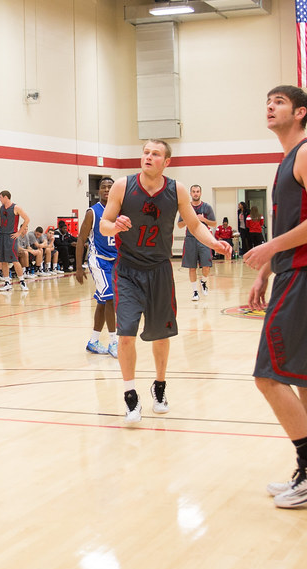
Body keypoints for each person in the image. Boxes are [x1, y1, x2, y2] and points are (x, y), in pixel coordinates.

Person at [244, 86, 307, 508]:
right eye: (268, 100)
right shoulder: (287, 159)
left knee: (268, 376)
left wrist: (268, 250)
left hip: (305, 275)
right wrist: (265, 271)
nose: (270, 106)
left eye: (279, 101)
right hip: (293, 273)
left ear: (300, 112)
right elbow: (292, 225)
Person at [100, 141, 232, 424]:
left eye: (155, 154)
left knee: (161, 335)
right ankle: (130, 396)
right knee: (125, 334)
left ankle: (159, 387)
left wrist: (214, 243)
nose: (148, 157)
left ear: (166, 162)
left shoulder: (177, 190)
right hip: (127, 270)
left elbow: (195, 224)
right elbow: (104, 224)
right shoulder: (123, 186)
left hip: (159, 270)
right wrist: (116, 226)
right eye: (145, 152)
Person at [75, 176, 118, 357]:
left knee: (102, 302)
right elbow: (80, 239)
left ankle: (93, 341)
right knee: (110, 299)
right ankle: (114, 342)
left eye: (110, 187)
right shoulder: (93, 212)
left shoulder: (120, 211)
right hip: (98, 261)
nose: (107, 189)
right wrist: (78, 267)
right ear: (98, 191)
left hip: (116, 261)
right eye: (103, 187)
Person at [177, 184, 216, 299]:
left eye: (197, 191)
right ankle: (195, 292)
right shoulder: (186, 207)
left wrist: (203, 219)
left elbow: (214, 223)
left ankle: (203, 282)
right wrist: (188, 219)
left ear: (200, 193)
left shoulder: (207, 207)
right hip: (190, 239)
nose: (195, 193)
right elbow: (179, 225)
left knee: (206, 266)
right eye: (193, 191)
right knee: (192, 267)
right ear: (190, 193)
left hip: (204, 239)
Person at [0, 190, 29, 291]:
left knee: (14, 259)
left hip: (11, 237)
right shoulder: (1, 208)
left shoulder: (16, 207)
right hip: (2, 236)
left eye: (0, 197)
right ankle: (7, 282)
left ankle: (22, 281)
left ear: (6, 197)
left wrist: (19, 232)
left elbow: (27, 219)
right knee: (3, 260)